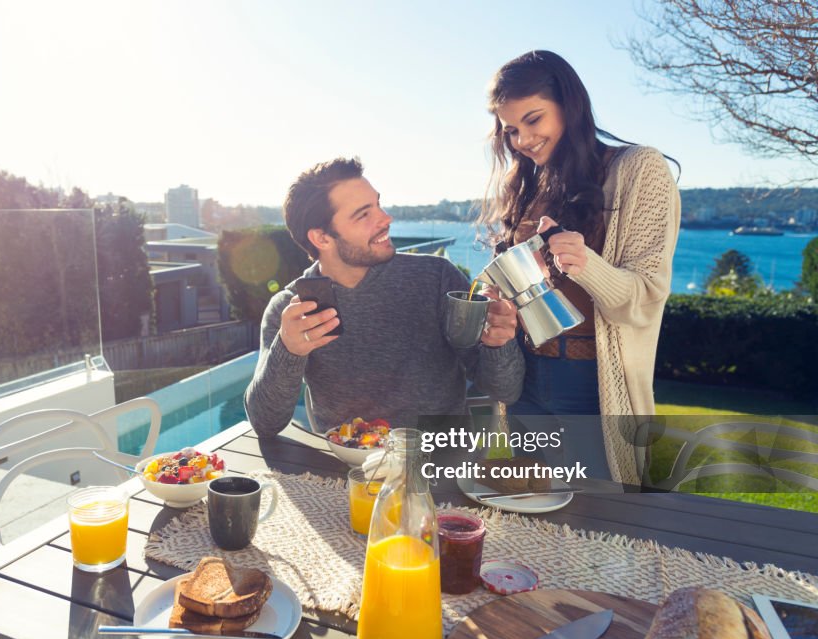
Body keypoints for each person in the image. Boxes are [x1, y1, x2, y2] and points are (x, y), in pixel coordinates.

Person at [481, 50, 681, 484]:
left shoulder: (638, 169)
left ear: (569, 105)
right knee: (534, 512)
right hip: (526, 379)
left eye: (534, 120)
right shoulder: (529, 186)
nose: (523, 139)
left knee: (601, 526)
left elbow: (646, 297)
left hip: (591, 385)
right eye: (512, 130)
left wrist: (585, 265)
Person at [245, 157, 523, 438]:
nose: (385, 219)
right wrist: (289, 349)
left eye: (378, 204)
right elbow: (265, 423)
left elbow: (505, 390)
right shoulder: (290, 311)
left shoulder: (436, 279)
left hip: (441, 465)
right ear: (322, 238)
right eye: (364, 214)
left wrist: (499, 344)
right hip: (347, 473)